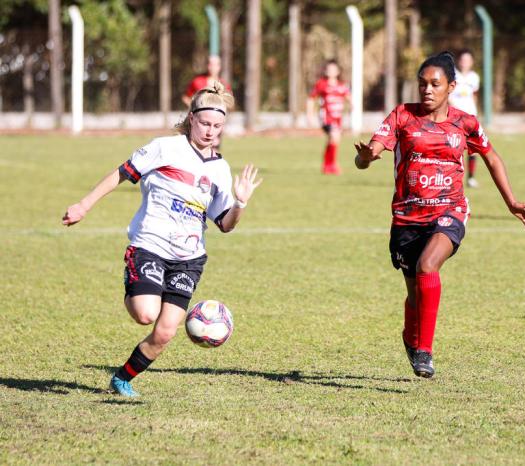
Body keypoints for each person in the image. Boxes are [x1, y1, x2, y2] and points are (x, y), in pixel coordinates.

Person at [62, 82, 262, 397]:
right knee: (145, 314)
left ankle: (121, 379)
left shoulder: (220, 169)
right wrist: (84, 205)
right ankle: (136, 283)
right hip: (149, 246)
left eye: (218, 126)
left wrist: (240, 203)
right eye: (205, 124)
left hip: (189, 258)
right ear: (191, 119)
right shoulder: (165, 148)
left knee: (166, 331)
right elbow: (121, 173)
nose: (210, 131)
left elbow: (225, 224)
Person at [354, 52, 525, 379]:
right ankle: (411, 338)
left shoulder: (464, 123)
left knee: (429, 265)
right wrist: (367, 157)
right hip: (407, 217)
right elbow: (370, 153)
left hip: (449, 210)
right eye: (422, 84)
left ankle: (424, 350)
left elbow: (492, 158)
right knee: (414, 293)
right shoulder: (402, 116)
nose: (426, 90)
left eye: (434, 84)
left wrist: (511, 202)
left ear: (451, 86)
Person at [307, 59, 351, 175]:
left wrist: (352, 105)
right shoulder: (321, 84)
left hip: (338, 119)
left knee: (334, 140)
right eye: (329, 69)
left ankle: (327, 165)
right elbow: (311, 98)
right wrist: (310, 115)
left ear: (338, 71)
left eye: (333, 69)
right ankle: (331, 166)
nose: (331, 71)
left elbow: (348, 97)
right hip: (326, 117)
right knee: (334, 136)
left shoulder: (341, 85)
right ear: (326, 71)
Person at [182, 56, 232, 149]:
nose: (213, 67)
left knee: (213, 147)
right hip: (199, 121)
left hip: (215, 121)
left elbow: (229, 102)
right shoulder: (197, 81)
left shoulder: (223, 84)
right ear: (207, 66)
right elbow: (186, 97)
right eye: (210, 64)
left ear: (219, 67)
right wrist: (195, 107)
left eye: (216, 64)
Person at [449, 49, 481, 188]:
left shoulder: (474, 77)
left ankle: (471, 178)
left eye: (468, 60)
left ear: (472, 62)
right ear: (459, 61)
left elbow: (474, 95)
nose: (465, 63)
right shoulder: (452, 75)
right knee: (454, 147)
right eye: (463, 60)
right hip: (456, 117)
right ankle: (452, 178)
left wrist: (475, 112)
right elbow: (447, 95)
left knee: (474, 147)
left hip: (470, 116)